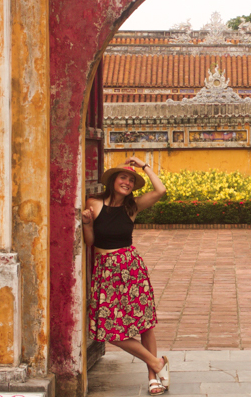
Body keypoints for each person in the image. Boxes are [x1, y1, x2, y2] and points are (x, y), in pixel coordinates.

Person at [81, 156, 170, 395]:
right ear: (112, 180)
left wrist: (145, 166)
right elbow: (90, 242)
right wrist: (88, 224)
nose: (127, 183)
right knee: (107, 329)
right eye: (123, 177)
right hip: (105, 269)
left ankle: (153, 377)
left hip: (131, 268)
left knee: (144, 324)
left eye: (131, 180)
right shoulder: (94, 203)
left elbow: (160, 190)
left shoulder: (132, 207)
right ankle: (155, 362)